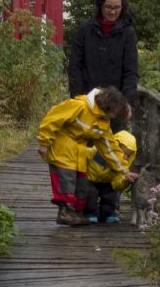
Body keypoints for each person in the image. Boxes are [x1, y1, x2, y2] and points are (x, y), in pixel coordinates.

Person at [37, 87, 131, 226]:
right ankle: (64, 213)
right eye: (113, 113)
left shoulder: (102, 121)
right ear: (108, 106)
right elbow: (53, 119)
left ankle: (75, 213)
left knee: (81, 187)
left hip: (79, 152)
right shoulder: (79, 105)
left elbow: (109, 148)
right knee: (66, 182)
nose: (112, 117)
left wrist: (124, 170)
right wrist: (44, 142)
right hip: (62, 148)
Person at [67, 0, 139, 106]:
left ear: (122, 7)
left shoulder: (128, 33)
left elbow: (131, 72)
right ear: (100, 6)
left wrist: (126, 103)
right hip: (86, 101)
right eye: (108, 7)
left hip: (115, 104)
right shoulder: (85, 31)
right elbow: (75, 67)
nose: (112, 12)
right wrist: (77, 98)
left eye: (117, 7)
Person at [83, 128, 139, 224]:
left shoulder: (123, 167)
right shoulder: (96, 151)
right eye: (123, 153)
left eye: (128, 155)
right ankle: (90, 213)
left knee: (111, 194)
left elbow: (117, 183)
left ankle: (107, 213)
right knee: (90, 194)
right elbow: (83, 154)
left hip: (107, 182)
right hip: (90, 180)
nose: (125, 157)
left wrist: (125, 181)